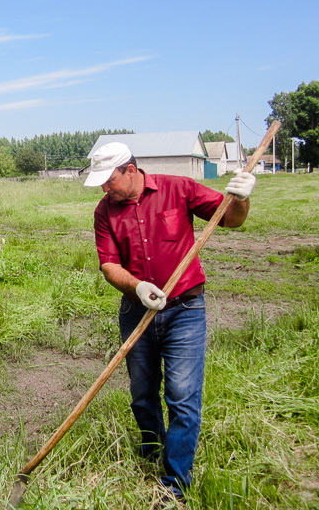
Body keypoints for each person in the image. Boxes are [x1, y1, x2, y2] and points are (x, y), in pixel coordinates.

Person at [85, 142, 255, 501]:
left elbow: (232, 218)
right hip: (137, 310)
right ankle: (150, 453)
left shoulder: (179, 188)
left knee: (181, 394)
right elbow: (109, 265)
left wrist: (240, 198)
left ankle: (175, 483)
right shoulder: (105, 211)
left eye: (108, 180)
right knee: (142, 394)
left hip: (185, 309)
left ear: (130, 170)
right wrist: (137, 286)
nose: (104, 188)